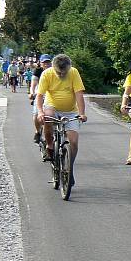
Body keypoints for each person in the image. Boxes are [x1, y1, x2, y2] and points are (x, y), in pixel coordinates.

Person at [35, 54, 87, 185]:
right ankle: (50, 145)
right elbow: (40, 95)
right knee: (48, 117)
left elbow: (79, 95)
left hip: (70, 111)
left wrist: (82, 113)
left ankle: (69, 167)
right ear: (54, 68)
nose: (62, 74)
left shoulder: (74, 72)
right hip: (52, 106)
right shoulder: (47, 74)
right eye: (59, 72)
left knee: (74, 141)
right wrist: (40, 112)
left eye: (65, 72)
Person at [30, 54, 52, 143]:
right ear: (41, 63)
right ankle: (38, 131)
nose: (46, 64)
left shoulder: (55, 71)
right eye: (44, 62)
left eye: (48, 62)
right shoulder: (38, 71)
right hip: (39, 93)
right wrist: (32, 93)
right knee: (36, 114)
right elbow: (33, 83)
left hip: (51, 94)